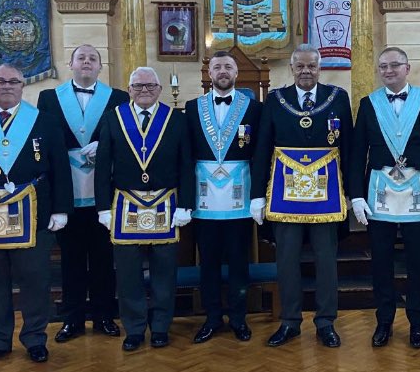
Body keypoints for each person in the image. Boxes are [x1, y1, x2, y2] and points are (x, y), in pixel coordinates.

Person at [0, 63, 72, 366]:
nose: (7, 86)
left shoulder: (44, 121)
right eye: (0, 81)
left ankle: (35, 338)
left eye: (13, 81)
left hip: (35, 214)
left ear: (23, 86)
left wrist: (61, 209)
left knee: (35, 281)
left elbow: (59, 166)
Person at [349, 47, 420, 349]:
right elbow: (358, 154)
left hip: (418, 191)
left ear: (407, 68)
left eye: (395, 65)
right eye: (383, 66)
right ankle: (383, 322)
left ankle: (417, 323)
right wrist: (356, 195)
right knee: (380, 262)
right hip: (379, 190)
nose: (388, 71)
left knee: (417, 263)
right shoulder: (368, 104)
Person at [250, 44, 352, 348]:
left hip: (328, 196)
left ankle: (326, 323)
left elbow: (349, 148)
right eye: (300, 66)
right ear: (291, 68)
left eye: (312, 66)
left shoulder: (338, 98)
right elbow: (262, 150)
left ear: (319, 68)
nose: (306, 71)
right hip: (284, 196)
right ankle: (290, 322)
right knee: (287, 260)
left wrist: (350, 193)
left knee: (326, 260)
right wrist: (258, 196)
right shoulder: (275, 101)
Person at [94, 66, 194, 352]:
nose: (144, 91)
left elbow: (186, 164)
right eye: (138, 86)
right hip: (125, 204)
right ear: (129, 90)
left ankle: (161, 327)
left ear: (160, 89)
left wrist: (185, 204)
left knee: (165, 272)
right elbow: (103, 166)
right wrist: (103, 207)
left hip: (167, 203)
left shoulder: (175, 119)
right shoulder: (114, 118)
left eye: (150, 86)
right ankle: (135, 328)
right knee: (127, 274)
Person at [37, 44, 129, 343]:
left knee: (104, 258)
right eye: (81, 58)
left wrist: (104, 144)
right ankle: (72, 319)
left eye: (93, 58)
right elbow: (45, 142)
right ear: (71, 64)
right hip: (67, 193)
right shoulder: (49, 98)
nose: (86, 62)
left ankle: (105, 316)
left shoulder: (118, 98)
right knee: (71, 260)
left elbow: (127, 140)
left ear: (100, 67)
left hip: (105, 193)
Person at [184, 51, 262, 343]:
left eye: (227, 66)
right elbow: (186, 155)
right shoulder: (193, 108)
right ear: (209, 73)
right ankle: (212, 318)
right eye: (217, 67)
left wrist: (258, 196)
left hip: (240, 199)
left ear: (236, 72)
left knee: (239, 261)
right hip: (204, 199)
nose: (222, 71)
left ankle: (239, 318)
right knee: (209, 263)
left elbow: (260, 152)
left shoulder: (254, 109)